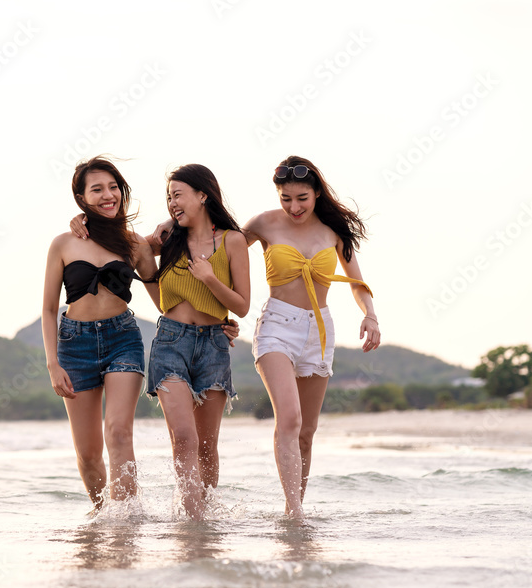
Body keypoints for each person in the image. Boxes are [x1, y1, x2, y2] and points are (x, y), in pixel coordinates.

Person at [70, 164, 249, 520]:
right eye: (168, 198)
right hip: (170, 342)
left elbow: (241, 305)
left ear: (203, 195)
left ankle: (206, 520)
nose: (171, 203)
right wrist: (81, 219)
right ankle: (190, 518)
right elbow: (119, 242)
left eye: (178, 195)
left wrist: (210, 280)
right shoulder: (166, 241)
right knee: (184, 438)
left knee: (207, 445)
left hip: (213, 343)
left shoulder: (233, 240)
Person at [242, 156, 380, 518]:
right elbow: (216, 246)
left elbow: (358, 282)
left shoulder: (334, 231)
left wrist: (370, 315)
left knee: (307, 431)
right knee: (289, 420)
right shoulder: (262, 224)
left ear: (317, 192)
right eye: (285, 198)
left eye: (301, 197)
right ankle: (294, 513)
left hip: (319, 330)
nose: (293, 206)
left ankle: (295, 509)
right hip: (276, 326)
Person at [42, 156, 158, 511]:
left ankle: (126, 523)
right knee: (89, 454)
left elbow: (166, 301)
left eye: (113, 188)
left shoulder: (135, 244)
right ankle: (102, 514)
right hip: (73, 346)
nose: (108, 195)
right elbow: (48, 309)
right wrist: (52, 363)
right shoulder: (63, 243)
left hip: (123, 338)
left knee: (119, 432)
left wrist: (218, 319)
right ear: (82, 198)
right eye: (97, 189)